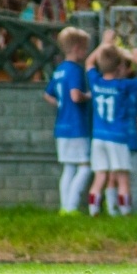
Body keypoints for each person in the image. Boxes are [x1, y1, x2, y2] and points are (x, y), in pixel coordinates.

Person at [85, 30, 137, 216]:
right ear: (119, 68)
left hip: (98, 137)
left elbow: (88, 63)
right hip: (118, 138)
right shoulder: (123, 85)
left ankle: (93, 211)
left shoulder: (95, 81)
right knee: (122, 177)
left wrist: (103, 44)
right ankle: (125, 212)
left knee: (100, 176)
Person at [43, 26, 92, 214]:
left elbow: (47, 95)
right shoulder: (75, 70)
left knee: (68, 168)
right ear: (77, 48)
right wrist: (88, 95)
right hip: (76, 127)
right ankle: (71, 207)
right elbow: (75, 96)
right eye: (85, 48)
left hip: (61, 127)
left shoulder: (59, 70)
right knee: (85, 167)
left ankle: (64, 207)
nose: (86, 52)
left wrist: (60, 105)